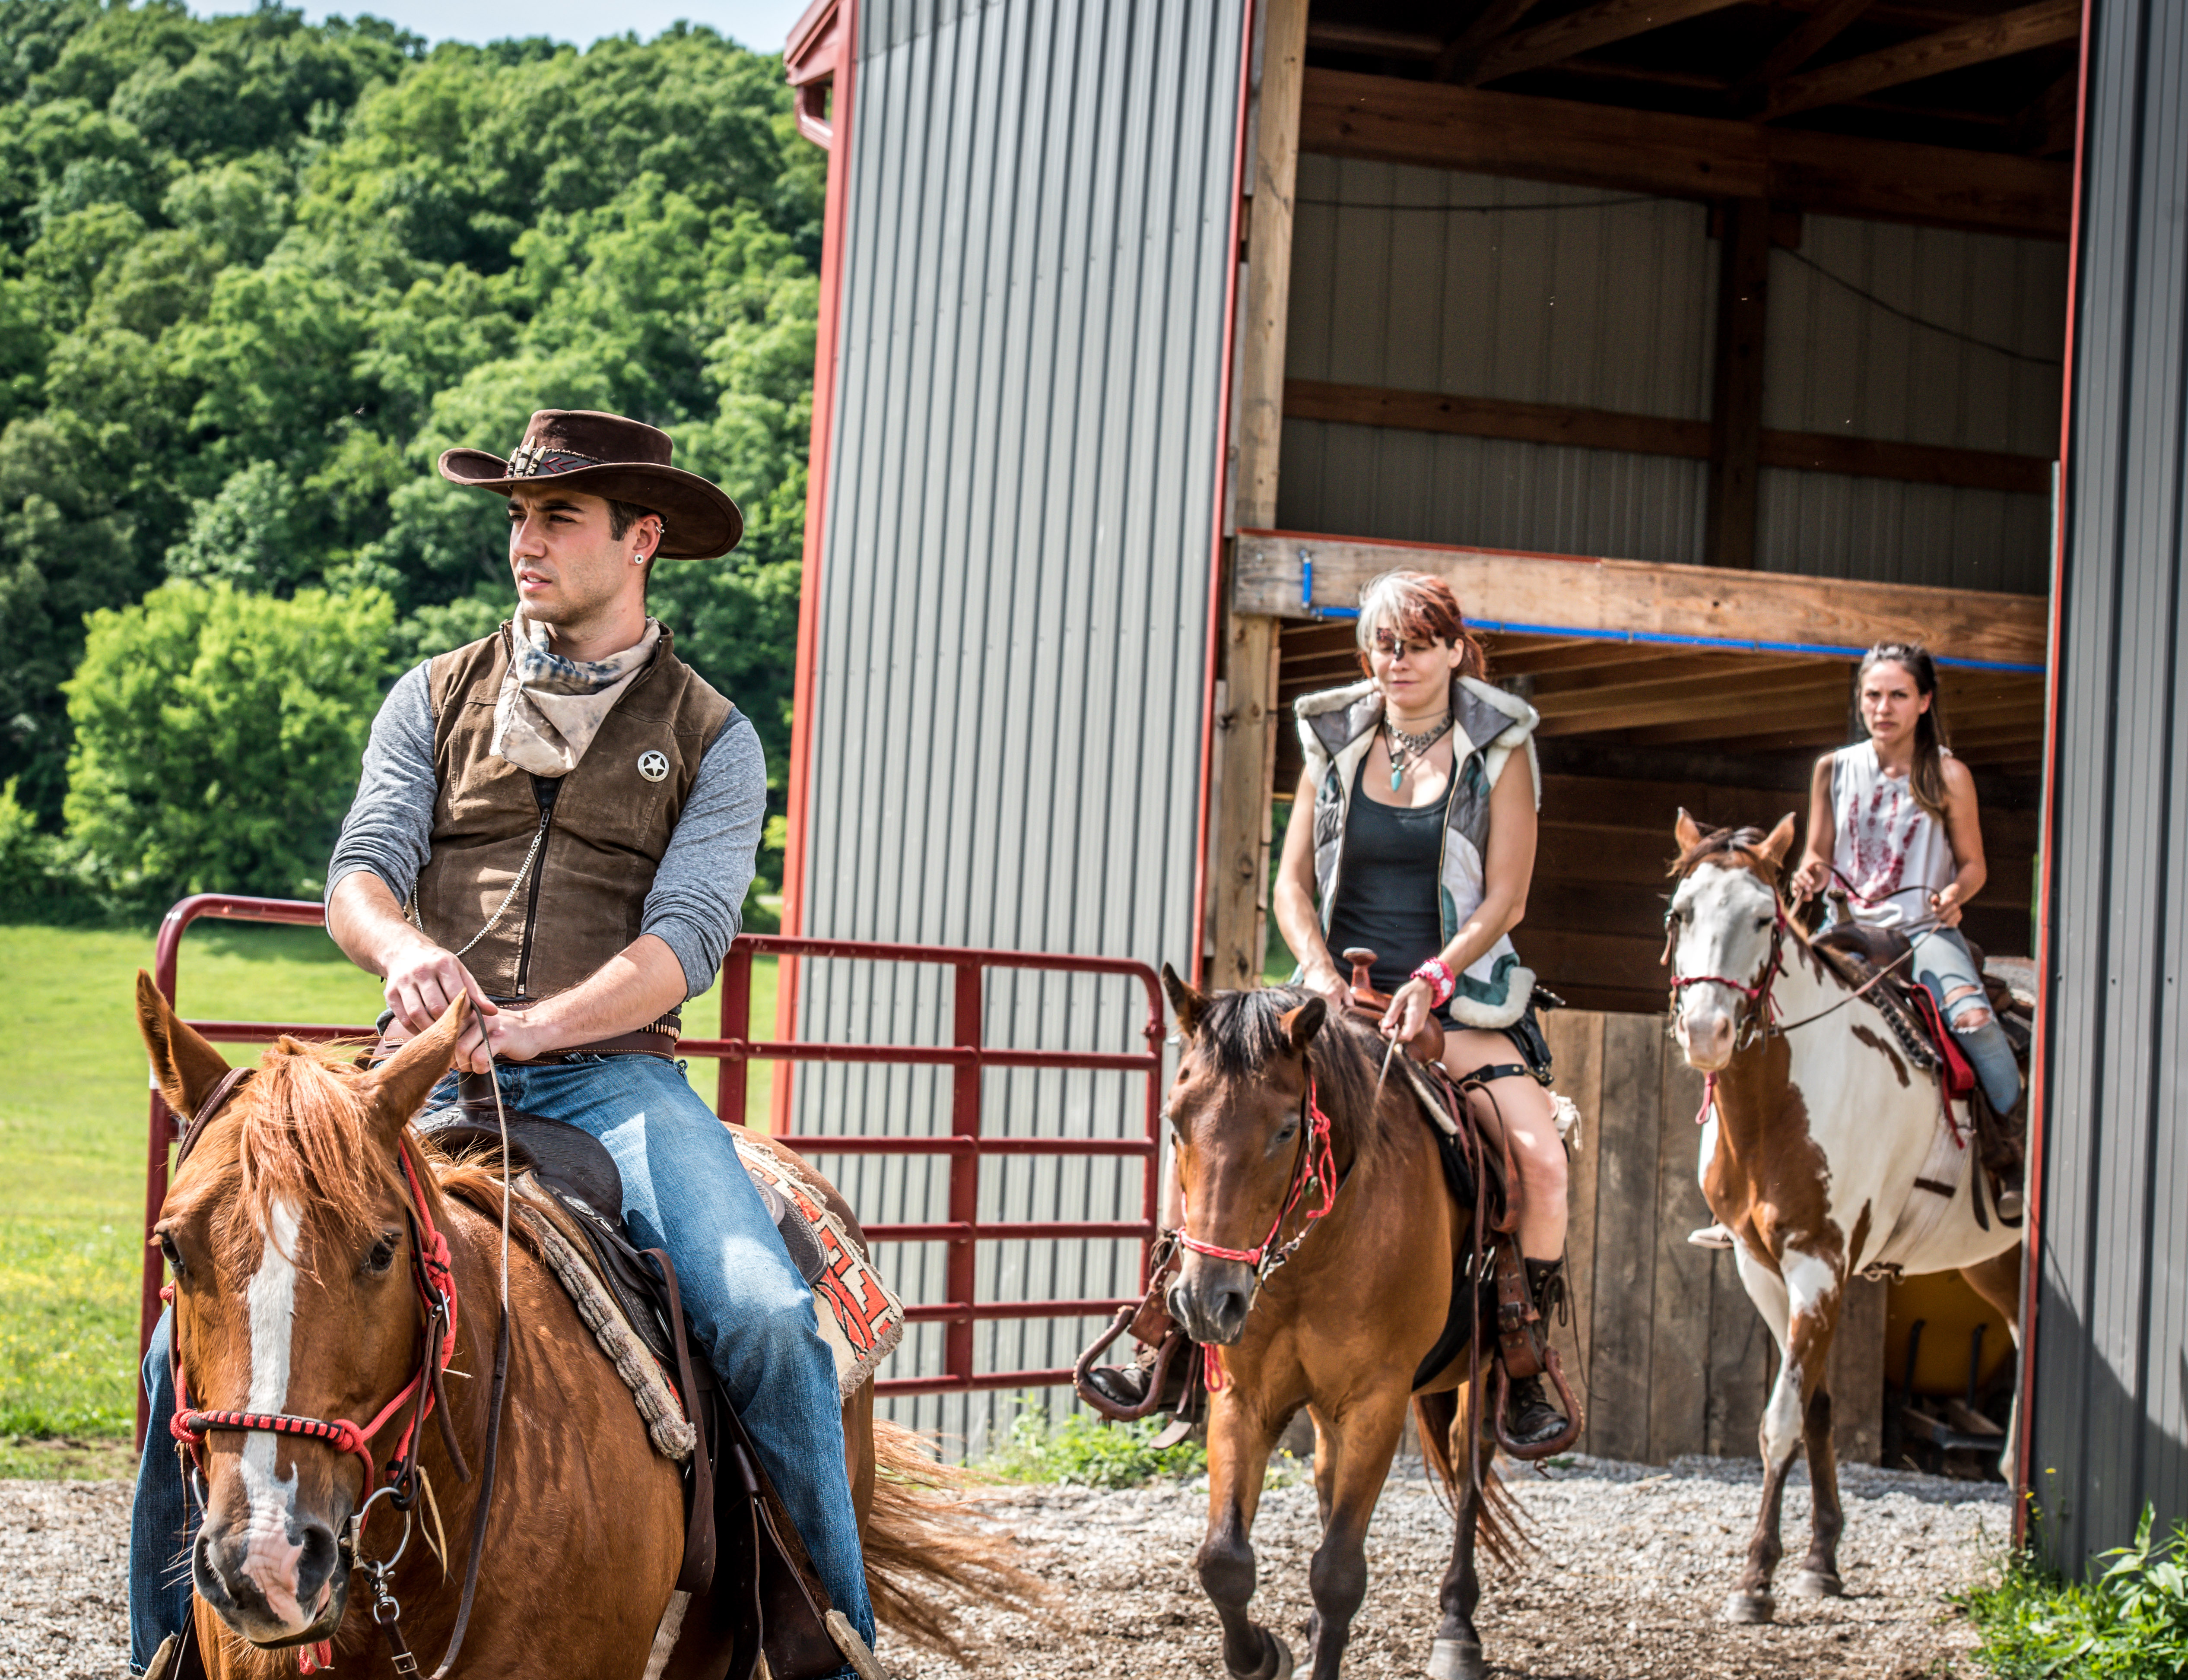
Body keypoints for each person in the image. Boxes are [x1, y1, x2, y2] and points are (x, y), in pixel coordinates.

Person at [129, 410, 876, 1679]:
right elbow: (362, 869)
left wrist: (534, 1023)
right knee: (174, 1346)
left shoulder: (714, 734)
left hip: (613, 1079)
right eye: (518, 516)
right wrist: (407, 956)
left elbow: (686, 938)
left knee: (761, 1313)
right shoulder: (431, 697)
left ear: (641, 539)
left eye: (558, 517)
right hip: (408, 1082)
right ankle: (165, 1652)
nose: (525, 541)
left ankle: (821, 1636)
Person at [1789, 641, 2023, 1119]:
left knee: (1974, 1021)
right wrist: (1807, 874)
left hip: (1922, 934)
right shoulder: (1832, 769)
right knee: (1774, 1007)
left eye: (1898, 695)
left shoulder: (1948, 774)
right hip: (1844, 932)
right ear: (1859, 700)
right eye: (1872, 695)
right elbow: (1817, 851)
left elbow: (1973, 864)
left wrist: (1956, 895)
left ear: (1924, 701)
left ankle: (2011, 1133)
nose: (1883, 708)